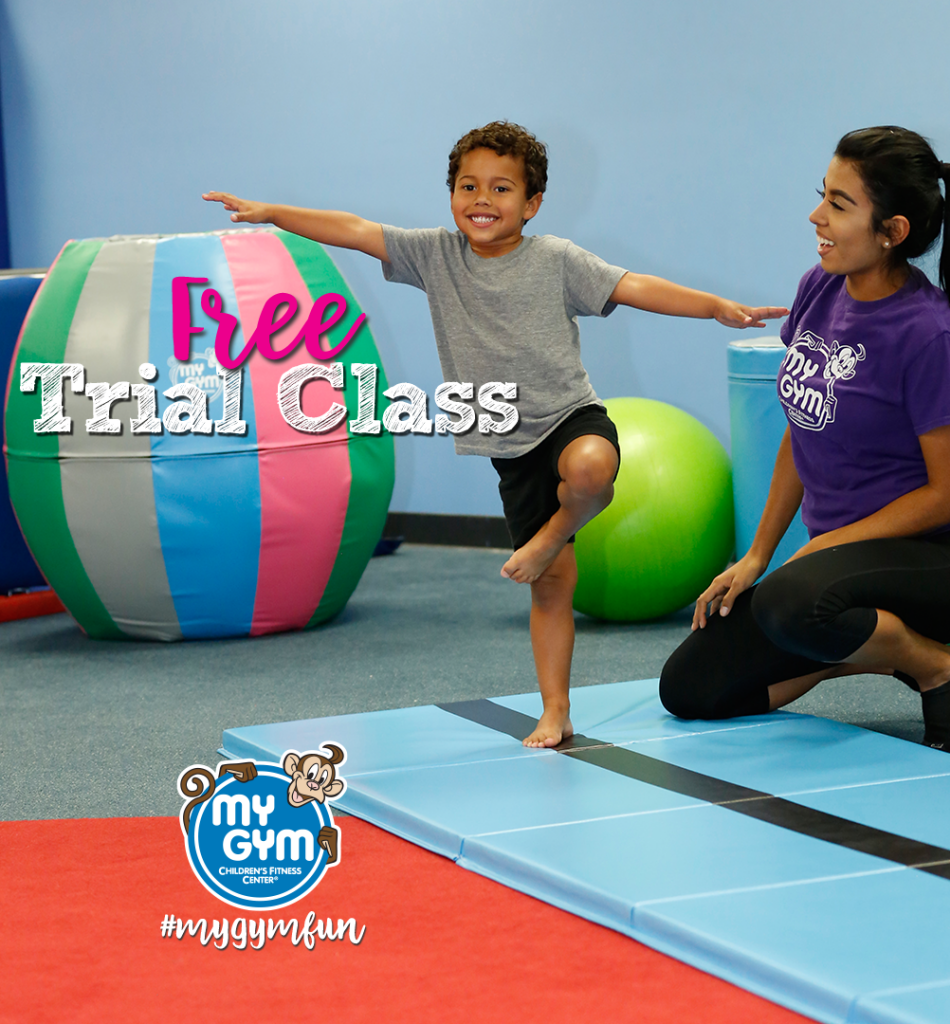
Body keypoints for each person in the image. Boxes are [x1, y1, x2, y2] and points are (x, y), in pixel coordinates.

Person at [204, 121, 787, 748]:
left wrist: (714, 306)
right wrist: (272, 214)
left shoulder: (557, 259)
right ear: (452, 194)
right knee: (553, 587)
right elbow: (353, 229)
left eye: (501, 188)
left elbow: (633, 286)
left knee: (592, 468)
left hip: (568, 415)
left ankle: (551, 535)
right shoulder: (434, 255)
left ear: (531, 204)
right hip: (510, 444)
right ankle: (556, 710)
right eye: (468, 186)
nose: (482, 199)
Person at [660, 126, 950, 757]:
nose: (816, 216)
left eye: (839, 204)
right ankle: (863, 653)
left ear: (892, 231)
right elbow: (804, 426)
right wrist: (758, 554)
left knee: (793, 601)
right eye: (822, 194)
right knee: (691, 688)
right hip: (842, 570)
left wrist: (821, 548)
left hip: (943, 561)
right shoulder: (818, 288)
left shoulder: (928, 335)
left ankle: (940, 667)